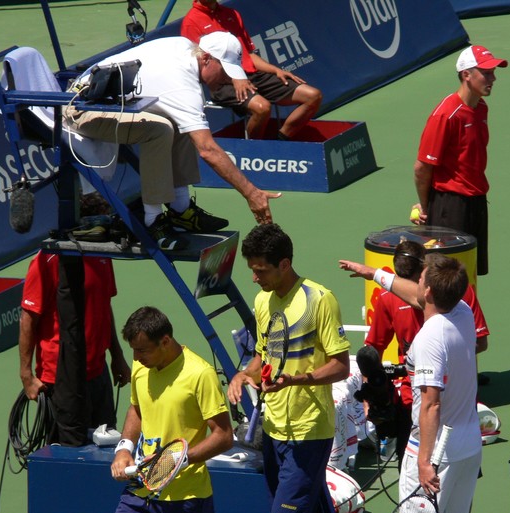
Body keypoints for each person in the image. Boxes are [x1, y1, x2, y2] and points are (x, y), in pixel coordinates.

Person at [339, 253, 482, 513]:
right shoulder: (461, 312)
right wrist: (374, 274)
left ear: (429, 289)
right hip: (468, 444)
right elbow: (415, 295)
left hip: (434, 449)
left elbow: (431, 403)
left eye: (421, 279)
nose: (416, 282)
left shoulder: (430, 338)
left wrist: (423, 460)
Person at [66, 32, 280, 251]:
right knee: (159, 129)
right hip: (80, 108)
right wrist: (251, 194)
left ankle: (180, 209)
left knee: (184, 121)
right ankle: (153, 221)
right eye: (225, 70)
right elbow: (207, 150)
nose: (227, 79)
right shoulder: (182, 85)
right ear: (206, 58)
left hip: (106, 102)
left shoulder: (186, 47)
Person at [227, 224, 350, 513]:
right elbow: (263, 355)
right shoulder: (264, 302)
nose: (254, 276)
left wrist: (297, 381)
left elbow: (341, 365)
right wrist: (241, 374)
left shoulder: (319, 300)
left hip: (309, 432)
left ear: (284, 264)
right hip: (274, 429)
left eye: (261, 269)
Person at [104, 306, 233, 513]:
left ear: (165, 341)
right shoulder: (142, 366)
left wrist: (172, 462)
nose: (135, 358)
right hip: (141, 489)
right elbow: (136, 407)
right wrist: (124, 449)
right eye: (134, 351)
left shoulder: (200, 374)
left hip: (183, 495)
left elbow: (224, 436)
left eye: (142, 350)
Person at [410, 45, 508, 277]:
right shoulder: (446, 115)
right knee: (444, 278)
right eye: (486, 73)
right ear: (466, 74)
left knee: (470, 274)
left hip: (476, 201)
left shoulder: (481, 108)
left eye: (493, 72)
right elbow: (422, 168)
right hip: (450, 206)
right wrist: (426, 206)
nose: (492, 78)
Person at [19, 250, 130, 446]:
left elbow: (104, 305)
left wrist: (117, 355)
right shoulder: (46, 260)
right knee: (68, 451)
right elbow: (28, 319)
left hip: (98, 370)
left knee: (107, 445)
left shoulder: (102, 254)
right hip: (60, 378)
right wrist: (26, 374)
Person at [181, 0, 322, 141]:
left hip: (253, 75)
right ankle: (254, 151)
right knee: (262, 108)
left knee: (313, 96)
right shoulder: (191, 22)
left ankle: (280, 141)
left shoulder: (232, 14)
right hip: (222, 82)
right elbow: (198, 66)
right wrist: (234, 78)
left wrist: (275, 70)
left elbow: (249, 54)